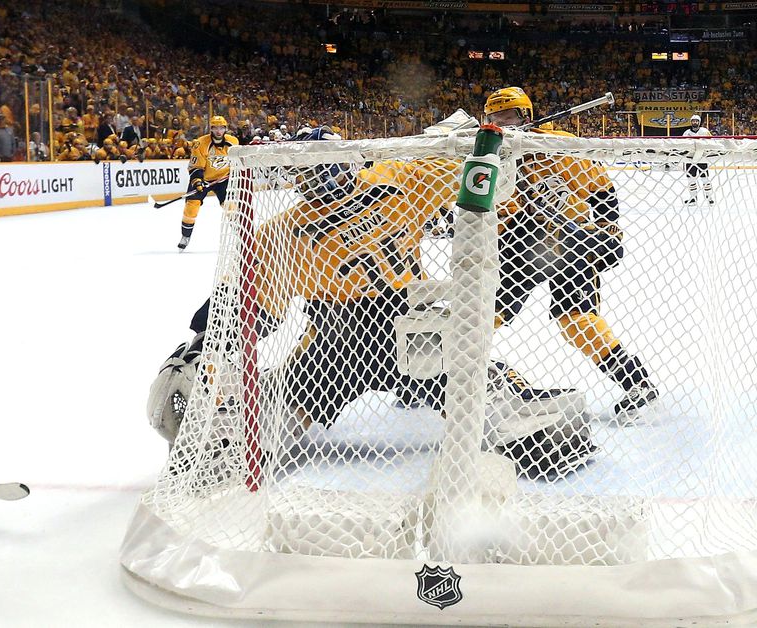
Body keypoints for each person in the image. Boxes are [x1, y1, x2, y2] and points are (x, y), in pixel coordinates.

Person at [147, 127, 594, 481]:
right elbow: (480, 172)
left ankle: (226, 446)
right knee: (485, 396)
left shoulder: (283, 230)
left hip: (339, 346)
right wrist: (483, 142)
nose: (313, 178)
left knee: (259, 426)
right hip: (406, 336)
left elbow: (250, 315)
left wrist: (208, 340)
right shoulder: (396, 181)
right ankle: (518, 415)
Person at [483, 87, 659, 424]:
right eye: (496, 119)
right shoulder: (492, 153)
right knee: (486, 314)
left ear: (527, 116)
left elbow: (600, 187)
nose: (503, 124)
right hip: (519, 244)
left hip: (572, 242)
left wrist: (608, 228)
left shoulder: (558, 145)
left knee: (576, 322)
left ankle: (637, 384)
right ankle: (446, 377)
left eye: (509, 118)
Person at [177, 115, 237, 251]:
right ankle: (185, 236)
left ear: (225, 129)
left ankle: (241, 236)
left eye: (221, 128)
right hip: (204, 179)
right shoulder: (201, 143)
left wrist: (233, 175)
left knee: (231, 207)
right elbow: (195, 166)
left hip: (223, 179)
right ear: (211, 129)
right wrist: (198, 181)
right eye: (215, 128)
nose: (218, 131)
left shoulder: (233, 142)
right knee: (191, 206)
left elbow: (237, 162)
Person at [681, 113, 713, 205]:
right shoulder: (686, 133)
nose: (695, 122)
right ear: (691, 122)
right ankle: (693, 198)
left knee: (705, 178)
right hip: (690, 158)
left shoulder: (705, 131)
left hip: (702, 158)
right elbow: (683, 145)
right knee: (691, 179)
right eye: (693, 121)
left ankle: (709, 197)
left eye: (696, 121)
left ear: (699, 122)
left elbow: (711, 142)